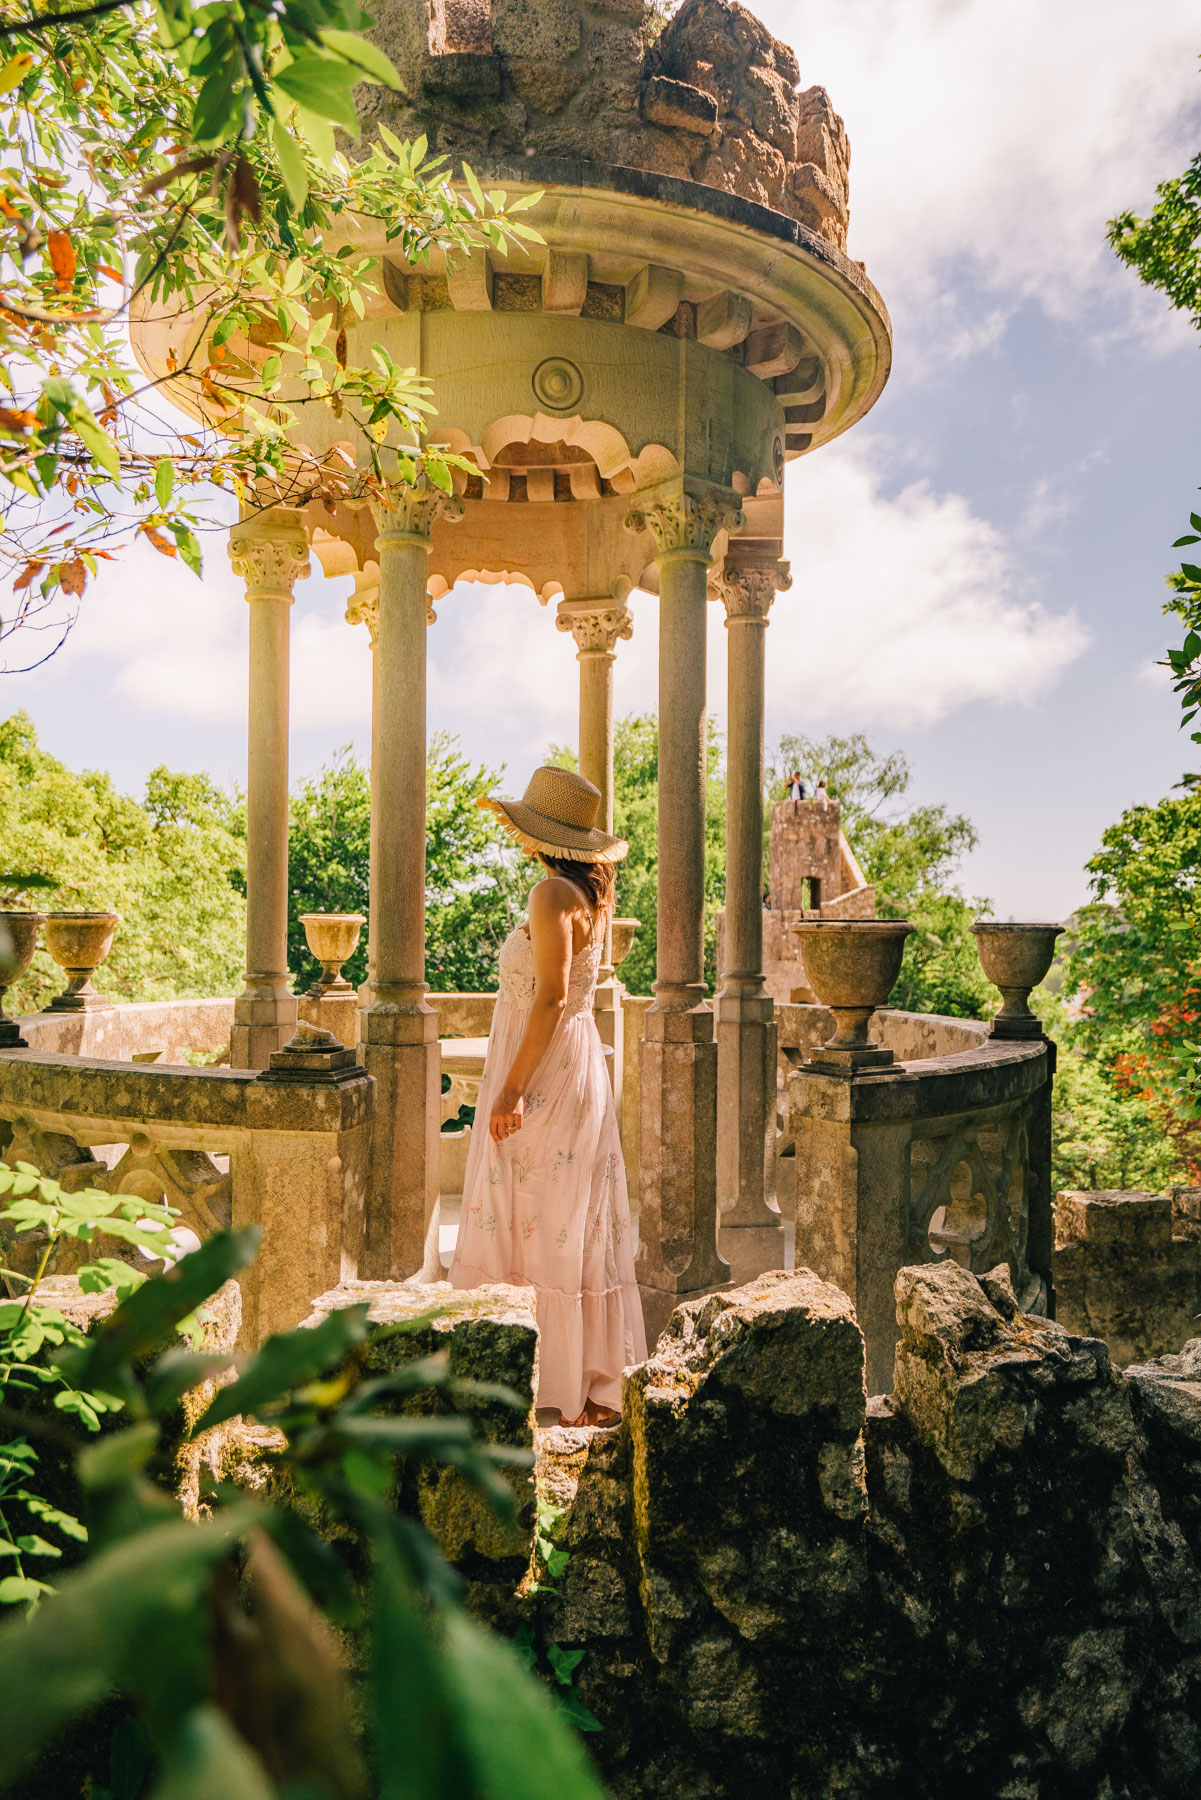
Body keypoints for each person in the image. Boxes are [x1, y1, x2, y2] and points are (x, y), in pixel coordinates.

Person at [449, 765, 647, 1428]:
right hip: (575, 1064)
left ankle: (532, 1380)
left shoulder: (548, 893)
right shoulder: (588, 895)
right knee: (567, 1223)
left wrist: (506, 1090)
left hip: (546, 1071)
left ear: (541, 837)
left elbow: (553, 999)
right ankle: (583, 1384)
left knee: (529, 1212)